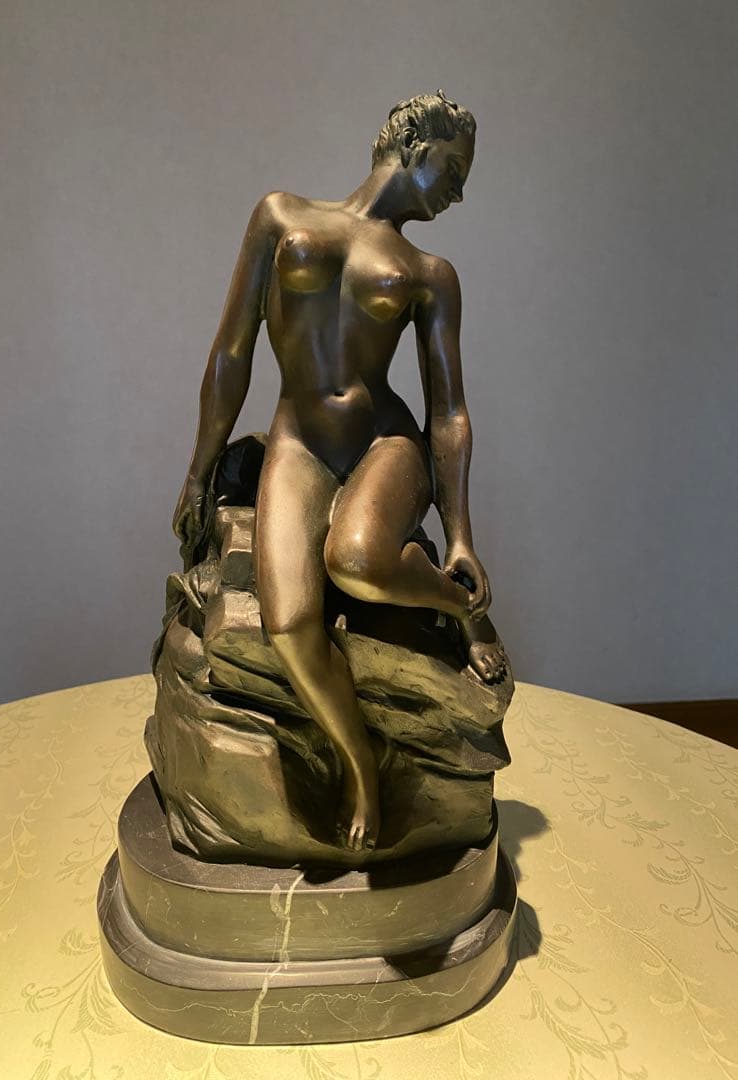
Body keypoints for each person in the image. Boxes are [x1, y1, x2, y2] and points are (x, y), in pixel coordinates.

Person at [173, 91, 508, 854]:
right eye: (453, 171)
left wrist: (460, 533)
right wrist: (199, 472)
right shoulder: (280, 216)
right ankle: (359, 764)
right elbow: (231, 353)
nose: (458, 193)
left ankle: (459, 603)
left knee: (355, 559)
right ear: (414, 147)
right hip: (298, 445)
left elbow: (448, 410)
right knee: (290, 626)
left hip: (385, 443)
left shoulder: (430, 272)